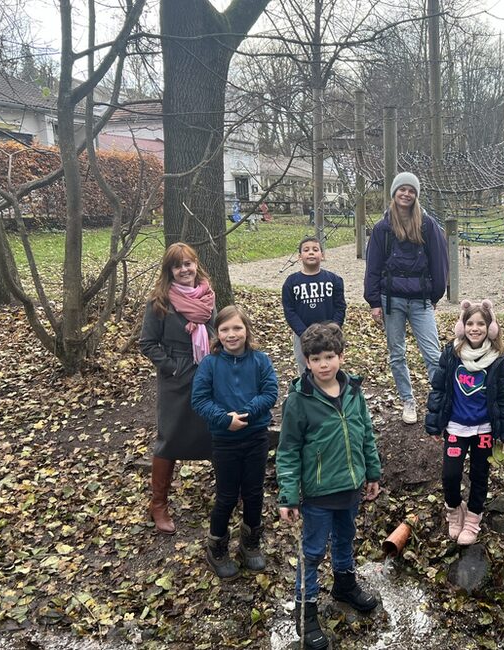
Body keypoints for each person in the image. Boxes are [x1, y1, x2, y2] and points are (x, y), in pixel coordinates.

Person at [277, 323, 382, 650]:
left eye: (329, 357)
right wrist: (288, 495)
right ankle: (306, 611)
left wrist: (373, 473)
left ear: (341, 356)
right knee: (312, 551)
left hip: (351, 487)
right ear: (307, 361)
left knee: (345, 537)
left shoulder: (353, 391)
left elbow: (365, 433)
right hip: (318, 494)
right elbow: (288, 450)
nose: (324, 364)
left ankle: (344, 584)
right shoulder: (299, 400)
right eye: (316, 359)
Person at [191, 306, 278, 579]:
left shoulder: (260, 360)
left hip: (256, 437)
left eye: (237, 328)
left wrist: (248, 413)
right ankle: (216, 547)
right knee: (227, 496)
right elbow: (200, 399)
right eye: (225, 329)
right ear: (217, 333)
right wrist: (224, 419)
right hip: (225, 440)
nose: (232, 334)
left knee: (254, 493)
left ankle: (250, 543)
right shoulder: (210, 364)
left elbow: (270, 392)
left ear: (247, 330)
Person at [139, 243, 216, 536]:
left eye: (188, 263)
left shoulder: (207, 296)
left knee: (214, 431)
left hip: (207, 372)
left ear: (196, 265)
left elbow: (216, 329)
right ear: (169, 270)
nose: (184, 270)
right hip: (176, 377)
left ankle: (226, 493)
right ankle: (158, 504)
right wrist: (171, 366)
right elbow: (147, 343)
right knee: (169, 437)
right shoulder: (160, 301)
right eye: (177, 265)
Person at [426, 300, 504, 545]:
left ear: (490, 328)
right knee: (450, 475)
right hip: (456, 427)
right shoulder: (451, 354)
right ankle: (455, 510)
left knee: (479, 474)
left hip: (483, 429)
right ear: (462, 326)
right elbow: (438, 389)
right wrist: (434, 423)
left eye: (481, 324)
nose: (475, 328)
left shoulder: (497, 359)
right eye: (470, 323)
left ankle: (474, 516)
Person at [363, 171, 449, 425]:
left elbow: (440, 261)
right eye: (402, 189)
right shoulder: (382, 228)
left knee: (432, 354)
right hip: (392, 300)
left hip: (421, 299)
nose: (406, 194)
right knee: (397, 353)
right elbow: (373, 266)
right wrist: (374, 302)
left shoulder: (427, 225)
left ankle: (440, 400)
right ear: (394, 192)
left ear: (416, 195)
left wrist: (436, 294)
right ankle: (408, 400)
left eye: (411, 190)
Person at [282, 236, 347, 374]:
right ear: (299, 256)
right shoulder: (291, 282)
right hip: (302, 334)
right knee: (305, 368)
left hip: (329, 334)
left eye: (315, 249)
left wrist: (333, 329)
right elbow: (289, 310)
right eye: (306, 250)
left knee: (329, 366)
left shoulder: (334, 280)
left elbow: (340, 307)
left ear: (322, 255)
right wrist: (303, 333)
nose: (311, 252)